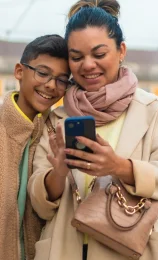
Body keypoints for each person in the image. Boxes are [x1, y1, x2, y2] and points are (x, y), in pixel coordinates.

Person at [28, 1, 158, 259]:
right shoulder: (56, 119)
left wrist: (119, 167)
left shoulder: (155, 110)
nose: (88, 65)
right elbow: (39, 205)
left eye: (99, 54)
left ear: (121, 50)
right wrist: (57, 173)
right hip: (65, 249)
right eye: (76, 57)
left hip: (133, 248)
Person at [0, 34, 70, 260]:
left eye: (61, 80)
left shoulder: (57, 132)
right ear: (19, 71)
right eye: (42, 73)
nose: (51, 85)